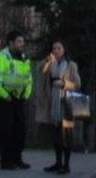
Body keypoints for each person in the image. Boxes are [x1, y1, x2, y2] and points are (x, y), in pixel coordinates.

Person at [37, 40, 81, 174]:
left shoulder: (71, 65)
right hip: (53, 104)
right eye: (53, 48)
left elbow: (77, 84)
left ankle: (66, 165)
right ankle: (57, 163)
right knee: (56, 135)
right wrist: (47, 60)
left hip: (66, 103)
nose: (55, 50)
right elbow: (40, 69)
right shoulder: (49, 64)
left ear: (64, 50)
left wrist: (63, 84)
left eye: (59, 48)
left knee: (67, 135)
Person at [0, 31, 32, 170]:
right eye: (19, 41)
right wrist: (6, 96)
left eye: (23, 41)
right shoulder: (0, 57)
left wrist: (25, 95)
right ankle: (6, 161)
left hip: (19, 99)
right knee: (6, 131)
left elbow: (28, 79)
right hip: (5, 99)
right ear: (11, 42)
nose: (22, 44)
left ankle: (17, 159)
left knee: (20, 131)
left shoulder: (24, 58)